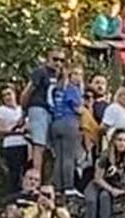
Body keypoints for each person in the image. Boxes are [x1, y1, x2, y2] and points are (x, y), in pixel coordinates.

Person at [21, 48, 64, 172]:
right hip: (38, 108)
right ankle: (36, 174)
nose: (58, 63)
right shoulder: (41, 72)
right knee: (38, 144)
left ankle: (46, 177)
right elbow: (29, 90)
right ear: (47, 59)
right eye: (55, 59)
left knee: (48, 147)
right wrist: (24, 109)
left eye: (61, 60)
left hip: (52, 111)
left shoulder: (59, 75)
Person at [50, 64, 84, 195]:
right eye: (75, 74)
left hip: (56, 123)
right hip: (69, 122)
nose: (78, 77)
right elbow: (77, 109)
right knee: (69, 157)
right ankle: (68, 186)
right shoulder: (72, 89)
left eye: (80, 74)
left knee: (59, 157)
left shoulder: (58, 89)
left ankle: (58, 187)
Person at [0, 84, 28, 194]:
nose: (7, 97)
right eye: (4, 95)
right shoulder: (1, 110)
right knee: (14, 172)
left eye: (9, 94)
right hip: (11, 145)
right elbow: (0, 130)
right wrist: (16, 131)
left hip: (26, 144)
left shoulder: (22, 109)